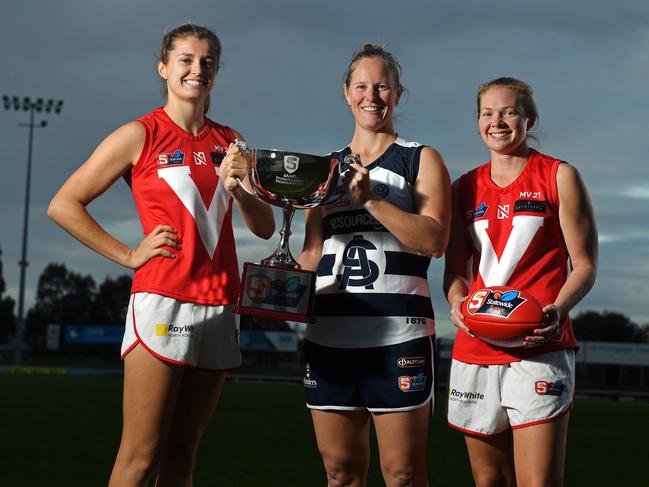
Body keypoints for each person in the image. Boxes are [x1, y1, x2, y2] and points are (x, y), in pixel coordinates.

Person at [47, 23, 274, 487]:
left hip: (220, 303)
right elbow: (64, 204)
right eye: (186, 60)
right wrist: (128, 254)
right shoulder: (140, 134)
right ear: (164, 67)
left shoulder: (231, 142)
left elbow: (264, 226)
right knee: (140, 455)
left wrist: (241, 186)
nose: (197, 69)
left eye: (207, 61)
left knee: (184, 456)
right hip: (162, 301)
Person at [298, 44, 451, 487]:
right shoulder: (323, 170)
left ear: (398, 93)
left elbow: (435, 240)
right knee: (340, 473)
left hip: (397, 337)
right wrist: (273, 289)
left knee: (402, 475)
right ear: (346, 93)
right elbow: (312, 253)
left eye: (382, 86)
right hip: (328, 337)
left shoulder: (420, 158)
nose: (372, 96)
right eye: (362, 86)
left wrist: (371, 200)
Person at [444, 77, 598, 487]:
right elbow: (455, 271)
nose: (497, 122)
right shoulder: (463, 188)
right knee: (489, 479)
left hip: (538, 347)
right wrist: (457, 303)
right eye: (487, 113)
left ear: (530, 117)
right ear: (477, 120)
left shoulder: (559, 175)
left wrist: (557, 311)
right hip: (475, 347)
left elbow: (584, 264)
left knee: (538, 482)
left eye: (509, 112)